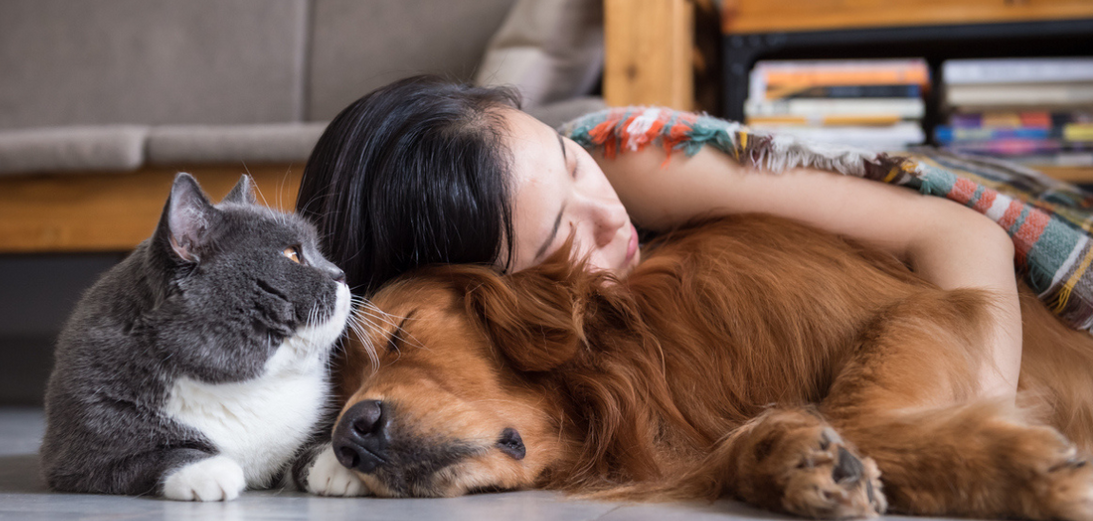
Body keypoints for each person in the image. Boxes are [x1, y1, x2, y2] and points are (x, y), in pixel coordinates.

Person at [296, 75, 1021, 402]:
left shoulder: (635, 162)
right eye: (557, 239)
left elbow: (958, 227)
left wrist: (982, 409)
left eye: (569, 164)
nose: (607, 216)